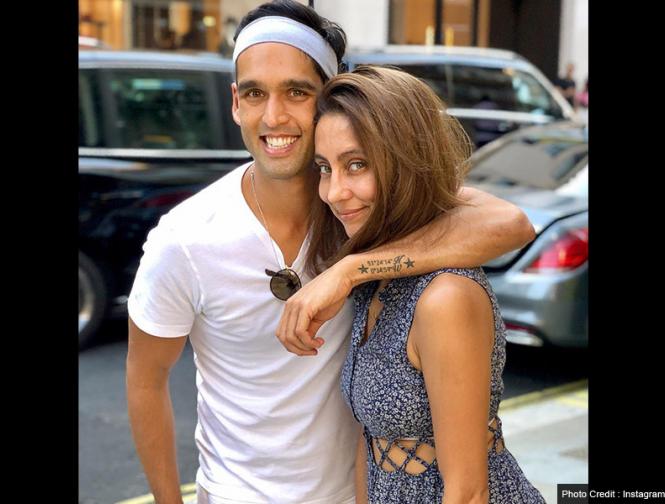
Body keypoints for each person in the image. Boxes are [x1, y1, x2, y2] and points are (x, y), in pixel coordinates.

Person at [125, 1, 535, 503]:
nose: (273, 116)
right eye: (255, 93)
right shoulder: (186, 237)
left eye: (296, 92)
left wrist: (347, 271)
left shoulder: (363, 212)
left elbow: (511, 224)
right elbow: (145, 381)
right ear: (236, 103)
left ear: (328, 96)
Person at [308, 66, 545, 503]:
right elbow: (372, 442)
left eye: (357, 165)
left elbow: (468, 493)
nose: (334, 192)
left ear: (405, 165)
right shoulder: (377, 278)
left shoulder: (444, 296)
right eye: (325, 168)